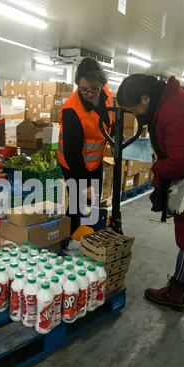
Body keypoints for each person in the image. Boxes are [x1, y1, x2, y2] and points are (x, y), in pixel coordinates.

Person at [117, 74, 184, 312]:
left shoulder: (175, 109)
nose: (137, 115)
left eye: (135, 109)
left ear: (145, 98)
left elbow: (183, 160)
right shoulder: (168, 102)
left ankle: (176, 292)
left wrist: (157, 168)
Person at [57, 57, 112, 236]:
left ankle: (89, 236)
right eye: (83, 89)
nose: (89, 93)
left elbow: (109, 118)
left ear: (101, 84)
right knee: (77, 202)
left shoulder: (106, 93)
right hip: (72, 164)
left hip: (94, 161)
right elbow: (73, 154)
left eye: (94, 89)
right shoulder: (72, 111)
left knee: (93, 200)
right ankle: (69, 240)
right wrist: (84, 184)